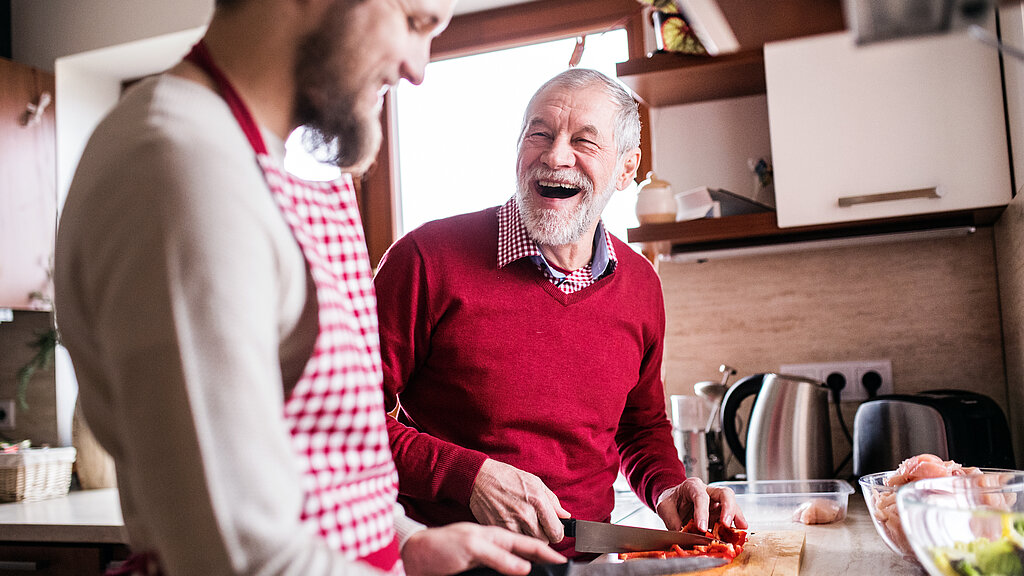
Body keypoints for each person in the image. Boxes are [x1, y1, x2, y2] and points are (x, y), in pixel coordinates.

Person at [53, 1, 566, 575]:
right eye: (416, 23)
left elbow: (310, 460)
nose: (418, 68)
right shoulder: (183, 167)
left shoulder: (242, 157)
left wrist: (403, 546)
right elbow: (236, 555)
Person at [374, 68, 747, 557]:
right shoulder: (425, 259)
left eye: (585, 142)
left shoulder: (641, 286)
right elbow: (345, 421)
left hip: (587, 562)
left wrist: (670, 491)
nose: (555, 156)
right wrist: (471, 477)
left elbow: (640, 428)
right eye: (539, 134)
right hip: (449, 562)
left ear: (626, 167)